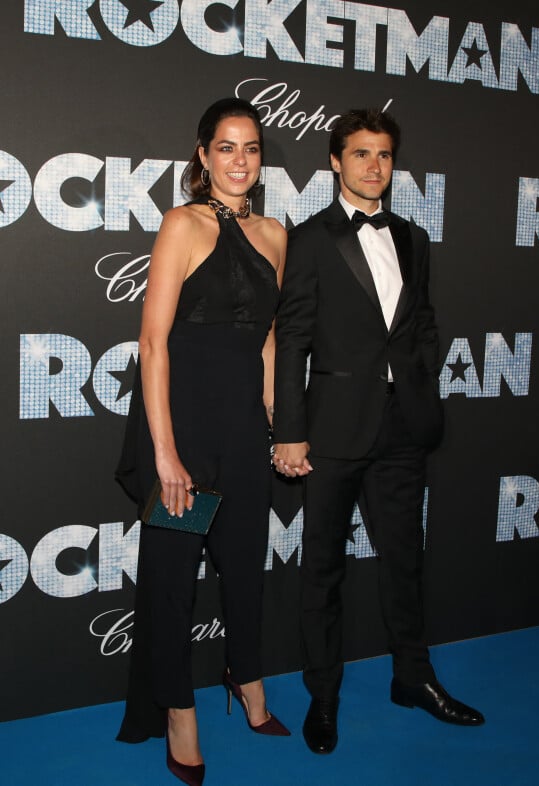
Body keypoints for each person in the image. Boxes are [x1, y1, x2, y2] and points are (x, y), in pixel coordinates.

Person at [273, 108, 484, 755]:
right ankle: (324, 697)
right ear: (336, 161)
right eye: (361, 153)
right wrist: (290, 430)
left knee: (405, 563)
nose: (374, 166)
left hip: (403, 430)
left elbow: (423, 324)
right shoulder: (309, 237)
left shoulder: (415, 237)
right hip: (332, 430)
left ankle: (413, 678)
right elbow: (293, 342)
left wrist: (420, 381)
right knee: (323, 571)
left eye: (385, 155)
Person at [115, 97, 289, 786]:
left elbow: (270, 340)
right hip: (181, 431)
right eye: (226, 147)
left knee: (246, 571)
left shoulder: (278, 234)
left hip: (246, 430)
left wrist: (280, 426)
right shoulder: (180, 225)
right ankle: (177, 711)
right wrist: (165, 454)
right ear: (202, 154)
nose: (240, 160)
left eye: (251, 147)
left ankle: (248, 680)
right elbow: (153, 342)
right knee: (171, 585)